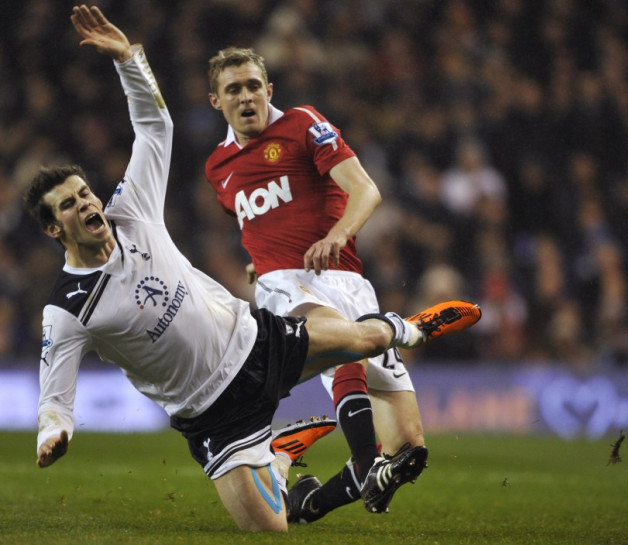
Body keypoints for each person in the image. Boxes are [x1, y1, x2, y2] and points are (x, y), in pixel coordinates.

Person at [25, 5, 481, 533]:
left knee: (379, 391)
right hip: (212, 404)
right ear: (54, 229)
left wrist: (130, 59)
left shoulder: (133, 210)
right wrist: (51, 433)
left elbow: (154, 129)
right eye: (68, 204)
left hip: (252, 340)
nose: (85, 203)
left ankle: (401, 338)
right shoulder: (66, 308)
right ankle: (306, 441)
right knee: (271, 528)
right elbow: (53, 393)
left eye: (84, 192)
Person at [204, 46, 463, 520]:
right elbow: (259, 226)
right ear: (215, 101)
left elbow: (366, 189)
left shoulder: (303, 123)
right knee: (347, 342)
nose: (246, 97)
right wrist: (258, 266)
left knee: (408, 451)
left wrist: (338, 233)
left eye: (254, 86)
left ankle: (308, 504)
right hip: (289, 288)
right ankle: (366, 458)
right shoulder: (218, 167)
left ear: (269, 90)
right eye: (233, 89)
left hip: (347, 280)